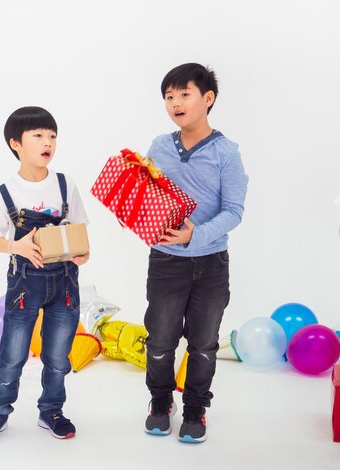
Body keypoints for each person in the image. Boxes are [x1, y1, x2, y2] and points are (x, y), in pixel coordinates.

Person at [141, 63, 248, 443]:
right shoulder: (158, 146)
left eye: (183, 94)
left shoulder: (226, 153)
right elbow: (146, 195)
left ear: (207, 99)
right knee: (160, 340)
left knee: (203, 344)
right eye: (168, 97)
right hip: (166, 262)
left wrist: (194, 235)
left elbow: (233, 211)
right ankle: (159, 402)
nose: (175, 103)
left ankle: (195, 409)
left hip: (210, 264)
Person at [0, 106, 90, 443]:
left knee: (57, 356)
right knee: (12, 354)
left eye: (52, 136)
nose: (47, 142)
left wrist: (84, 253)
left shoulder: (65, 185)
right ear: (16, 144)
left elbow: (79, 229)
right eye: (38, 135)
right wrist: (17, 247)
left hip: (65, 281)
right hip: (25, 283)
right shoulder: (6, 191)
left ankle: (51, 410)